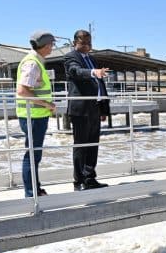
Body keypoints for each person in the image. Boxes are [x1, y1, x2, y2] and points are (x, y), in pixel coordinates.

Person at [65, 29, 110, 191]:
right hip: (81, 109)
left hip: (95, 108)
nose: (87, 46)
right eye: (83, 42)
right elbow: (76, 72)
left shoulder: (92, 59)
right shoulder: (71, 57)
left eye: (89, 42)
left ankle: (90, 177)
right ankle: (79, 181)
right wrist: (93, 72)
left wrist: (104, 109)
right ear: (74, 43)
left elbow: (100, 84)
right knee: (81, 145)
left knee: (93, 145)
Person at [16, 31, 57, 197]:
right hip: (33, 116)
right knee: (32, 155)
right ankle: (31, 193)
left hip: (36, 115)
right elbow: (23, 91)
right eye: (52, 45)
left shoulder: (36, 61)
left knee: (35, 154)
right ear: (46, 45)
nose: (52, 48)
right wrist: (47, 104)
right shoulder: (32, 63)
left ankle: (36, 189)